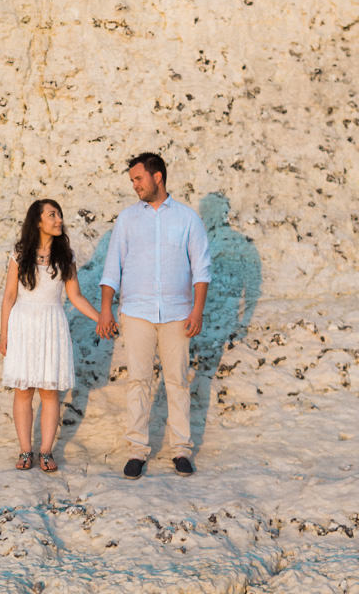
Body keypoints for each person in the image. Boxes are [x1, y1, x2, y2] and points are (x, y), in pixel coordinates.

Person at [97, 152, 211, 478]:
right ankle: (137, 449)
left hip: (177, 312)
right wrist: (106, 309)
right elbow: (112, 267)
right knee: (138, 381)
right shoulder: (127, 219)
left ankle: (181, 450)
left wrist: (197, 311)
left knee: (176, 381)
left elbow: (201, 269)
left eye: (138, 179)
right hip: (136, 312)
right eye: (132, 180)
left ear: (157, 177)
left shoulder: (188, 219)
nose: (135, 185)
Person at [0, 198, 103, 473]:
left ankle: (45, 451)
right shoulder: (19, 254)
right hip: (23, 324)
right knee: (23, 391)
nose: (59, 220)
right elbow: (9, 296)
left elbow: (76, 297)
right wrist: (4, 334)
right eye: (52, 215)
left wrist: (101, 317)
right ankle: (25, 450)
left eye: (59, 215)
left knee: (49, 392)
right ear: (38, 221)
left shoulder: (65, 256)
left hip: (52, 324)